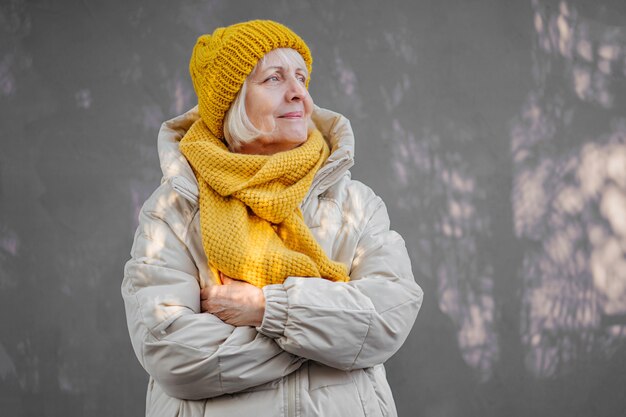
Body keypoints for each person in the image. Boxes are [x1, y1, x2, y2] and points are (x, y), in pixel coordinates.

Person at [122, 19, 423, 417]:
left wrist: (270, 310)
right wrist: (324, 337)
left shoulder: (354, 203)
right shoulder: (175, 209)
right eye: (274, 79)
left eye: (301, 77)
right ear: (231, 100)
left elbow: (388, 317)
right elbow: (170, 352)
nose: (298, 93)